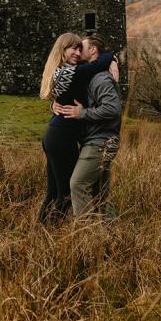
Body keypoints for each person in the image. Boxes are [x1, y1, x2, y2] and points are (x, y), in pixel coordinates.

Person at [38, 33, 117, 225]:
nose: (78, 53)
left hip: (55, 135)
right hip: (62, 138)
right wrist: (113, 57)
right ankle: (52, 231)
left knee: (54, 192)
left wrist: (54, 106)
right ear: (62, 50)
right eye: (73, 48)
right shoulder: (72, 73)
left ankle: (40, 231)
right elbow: (97, 64)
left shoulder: (62, 71)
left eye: (80, 49)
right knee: (66, 193)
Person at [58, 35, 122, 220]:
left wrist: (82, 113)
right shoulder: (91, 76)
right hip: (100, 140)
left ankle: (85, 232)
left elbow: (112, 109)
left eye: (82, 48)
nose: (78, 52)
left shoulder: (100, 79)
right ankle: (110, 233)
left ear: (93, 50)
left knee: (78, 184)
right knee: (100, 194)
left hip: (100, 141)